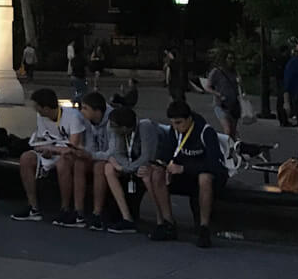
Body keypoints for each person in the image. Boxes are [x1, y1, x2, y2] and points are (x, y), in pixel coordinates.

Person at [148, 99, 227, 247]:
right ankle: (168, 222)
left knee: (205, 177)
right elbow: (167, 153)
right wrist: (162, 165)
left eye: (179, 123)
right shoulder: (174, 132)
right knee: (156, 174)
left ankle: (204, 228)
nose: (176, 127)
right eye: (173, 123)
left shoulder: (206, 132)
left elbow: (213, 164)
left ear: (189, 119)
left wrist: (184, 168)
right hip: (182, 175)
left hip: (203, 176)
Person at [10, 88, 85, 224]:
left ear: (45, 108)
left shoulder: (73, 116)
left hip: (70, 153)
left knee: (64, 161)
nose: (36, 110)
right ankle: (33, 207)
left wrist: (51, 148)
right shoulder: (41, 117)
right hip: (51, 149)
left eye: (37, 107)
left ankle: (65, 209)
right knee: (26, 158)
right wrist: (46, 149)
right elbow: (42, 139)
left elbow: (72, 147)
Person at [92, 104, 163, 233]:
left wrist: (124, 168)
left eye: (115, 127)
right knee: (109, 168)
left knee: (147, 175)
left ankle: (161, 219)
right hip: (131, 164)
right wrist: (123, 166)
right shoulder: (115, 129)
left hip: (154, 163)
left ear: (124, 128)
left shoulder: (145, 127)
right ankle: (127, 218)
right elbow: (117, 153)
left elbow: (147, 156)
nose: (111, 129)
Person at [57, 89, 111, 229]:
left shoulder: (112, 121)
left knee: (100, 167)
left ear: (97, 111)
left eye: (85, 108)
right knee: (79, 164)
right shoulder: (86, 120)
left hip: (109, 158)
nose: (82, 111)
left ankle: (97, 213)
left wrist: (91, 155)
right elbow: (89, 144)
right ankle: (78, 212)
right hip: (94, 155)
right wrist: (83, 152)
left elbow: (113, 151)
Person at [205, 50, 241, 141]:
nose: (232, 61)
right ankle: (225, 149)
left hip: (233, 104)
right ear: (224, 59)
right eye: (229, 58)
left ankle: (230, 150)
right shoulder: (216, 72)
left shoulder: (235, 71)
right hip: (220, 105)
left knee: (232, 132)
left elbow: (239, 87)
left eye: (233, 58)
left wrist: (240, 84)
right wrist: (218, 94)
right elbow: (207, 87)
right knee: (227, 130)